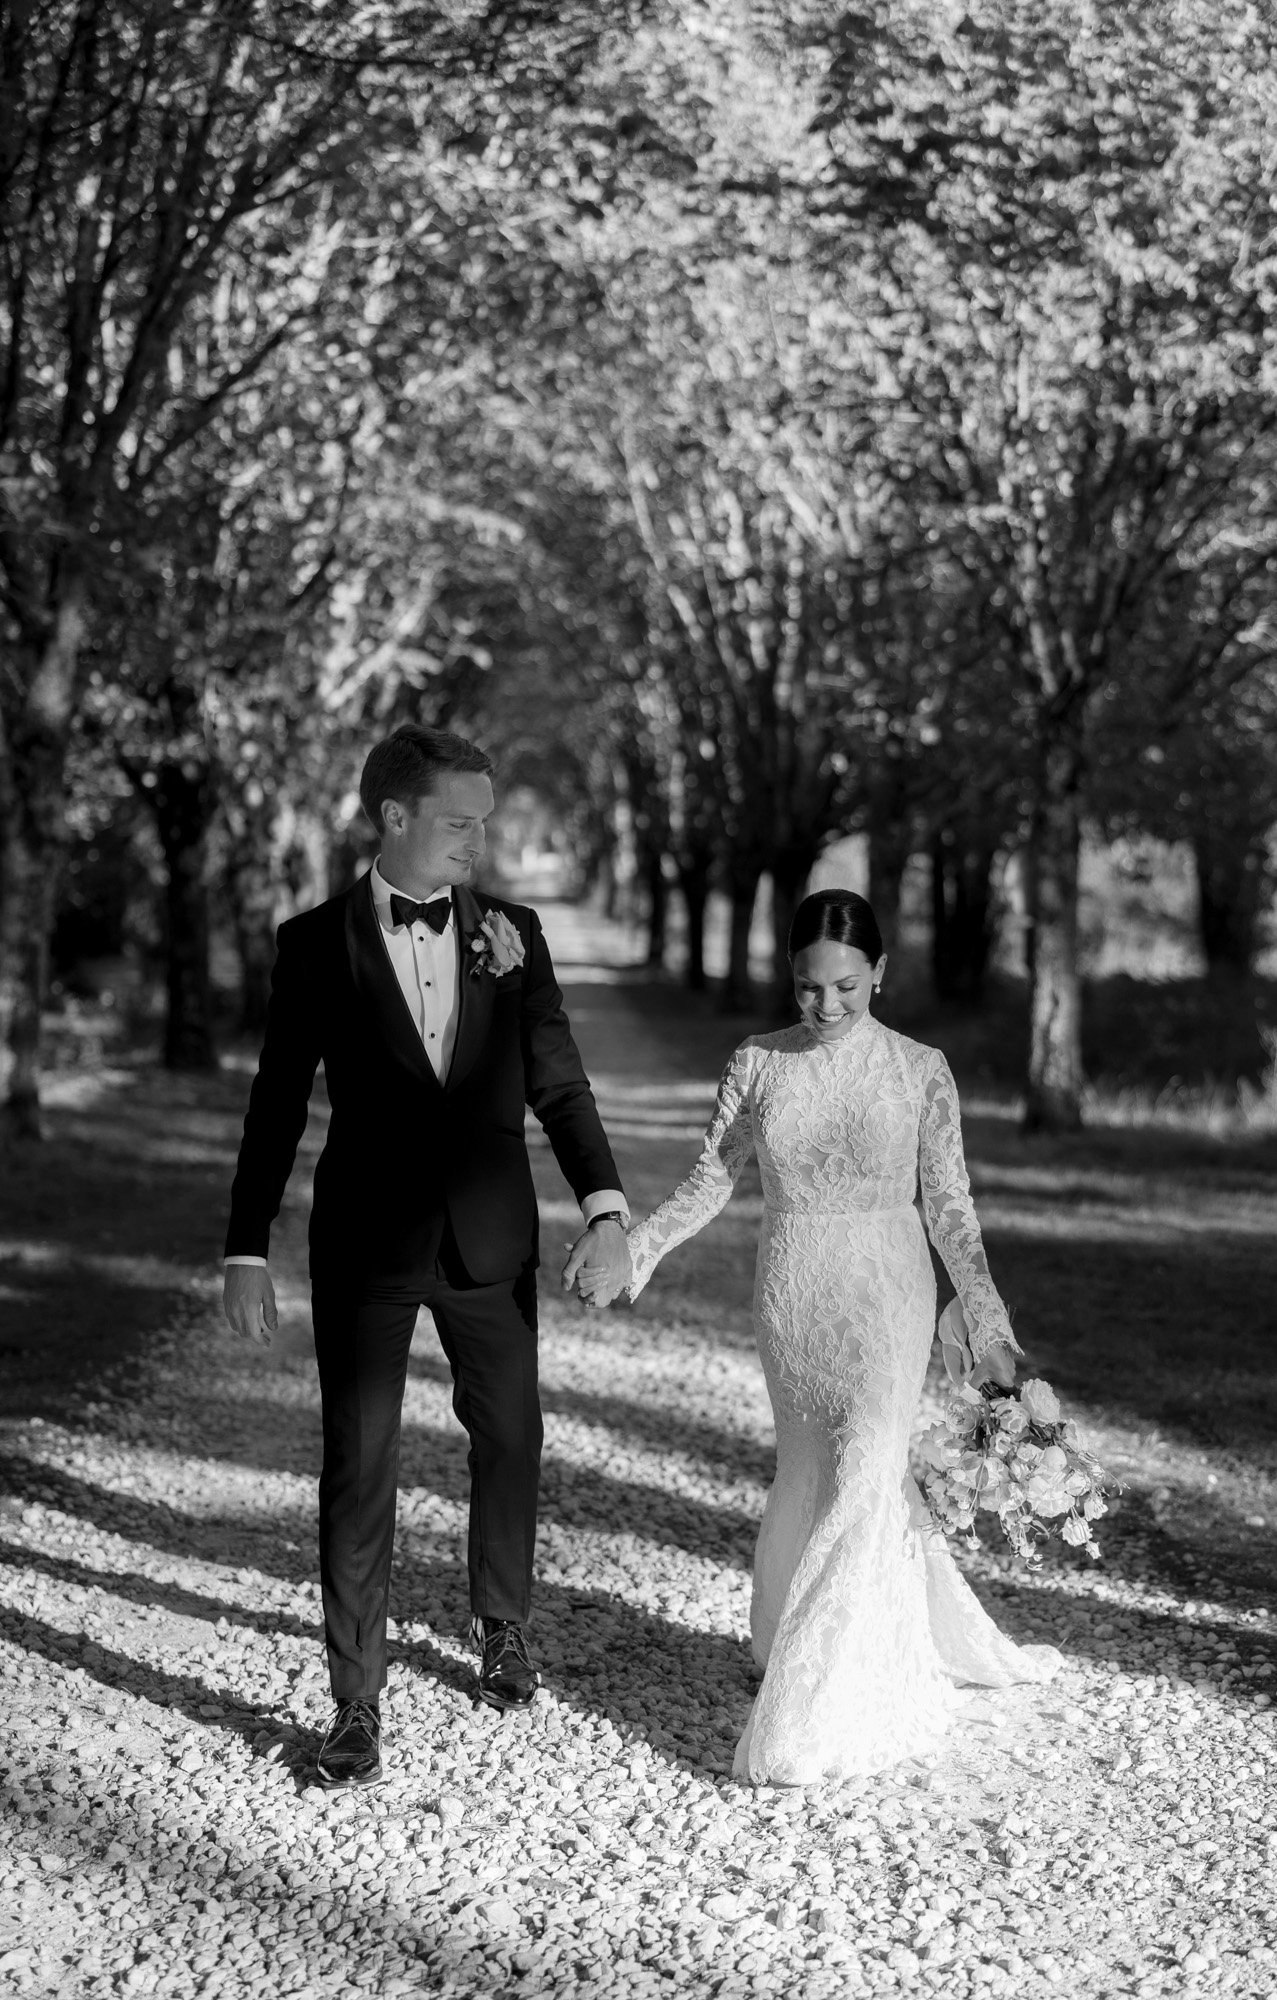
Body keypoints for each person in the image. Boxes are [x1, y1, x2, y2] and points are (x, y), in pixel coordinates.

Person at [222, 723, 630, 1790]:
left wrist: (605, 1205)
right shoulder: (313, 944)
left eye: (485, 823)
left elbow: (560, 1082)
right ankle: (354, 1698)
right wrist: (242, 1247)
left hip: (492, 1238)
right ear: (394, 817)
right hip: (367, 1237)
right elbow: (275, 1104)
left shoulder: (514, 932)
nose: (477, 843)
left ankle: (502, 1622)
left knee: (512, 1434)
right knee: (359, 1462)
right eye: (459, 821)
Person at [585, 888, 1059, 1785]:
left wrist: (988, 1321)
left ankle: (822, 1703)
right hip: (793, 1291)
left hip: (886, 1289)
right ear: (789, 979)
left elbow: (950, 1208)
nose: (827, 1006)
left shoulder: (921, 1068)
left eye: (846, 986)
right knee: (808, 1465)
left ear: (878, 972)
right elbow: (708, 1180)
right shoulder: (757, 1063)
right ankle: (787, 1635)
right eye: (808, 988)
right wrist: (637, 1251)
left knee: (867, 1467)